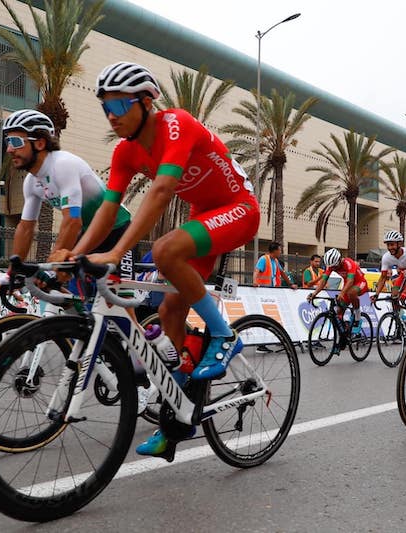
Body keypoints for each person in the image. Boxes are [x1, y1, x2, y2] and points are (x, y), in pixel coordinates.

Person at [67, 62, 260, 457]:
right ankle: (180, 415)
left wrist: (118, 251)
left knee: (164, 250)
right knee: (171, 309)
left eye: (119, 106)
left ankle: (224, 335)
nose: (111, 116)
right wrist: (78, 253)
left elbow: (162, 190)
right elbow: (108, 208)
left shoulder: (177, 124)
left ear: (145, 102)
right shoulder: (125, 152)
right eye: (105, 107)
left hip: (239, 208)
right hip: (203, 216)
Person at [0, 109, 133, 289]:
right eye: (8, 142)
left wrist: (52, 267)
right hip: (87, 234)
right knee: (66, 293)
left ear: (39, 143)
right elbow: (25, 228)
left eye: (15, 142)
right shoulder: (31, 182)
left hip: (117, 230)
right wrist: (11, 273)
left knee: (117, 297)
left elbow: (73, 221)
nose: (9, 149)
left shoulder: (62, 165)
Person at [306, 248, 369, 352]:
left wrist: (342, 293)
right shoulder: (331, 266)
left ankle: (357, 317)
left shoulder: (349, 263)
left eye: (335, 266)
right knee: (337, 314)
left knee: (351, 293)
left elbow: (350, 281)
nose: (334, 268)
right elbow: (323, 281)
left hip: (359, 283)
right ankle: (342, 339)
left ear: (339, 260)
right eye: (332, 267)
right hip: (347, 285)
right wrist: (314, 293)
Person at [369, 230, 406, 323]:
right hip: (405, 275)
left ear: (399, 244)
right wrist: (376, 294)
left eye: (392, 244)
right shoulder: (386, 257)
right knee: (394, 297)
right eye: (388, 245)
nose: (389, 248)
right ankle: (399, 324)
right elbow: (383, 277)